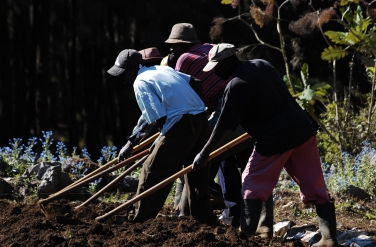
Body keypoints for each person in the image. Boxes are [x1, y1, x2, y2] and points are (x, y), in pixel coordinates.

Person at [193, 43, 338, 246]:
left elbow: (223, 125)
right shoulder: (262, 65)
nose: (216, 73)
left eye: (216, 67)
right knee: (314, 185)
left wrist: (204, 153)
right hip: (302, 129)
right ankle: (329, 238)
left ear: (226, 63)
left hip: (275, 139)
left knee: (251, 183)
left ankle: (247, 239)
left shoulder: (236, 85)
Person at [108, 47, 218, 225]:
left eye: (123, 75)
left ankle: (138, 220)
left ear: (132, 69)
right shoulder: (162, 70)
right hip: (200, 122)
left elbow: (156, 118)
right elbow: (196, 82)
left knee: (152, 170)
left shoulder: (140, 82)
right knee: (197, 173)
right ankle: (205, 220)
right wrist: (196, 106)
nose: (123, 80)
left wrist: (160, 137)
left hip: (180, 126)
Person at [163, 22, 256, 225]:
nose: (172, 49)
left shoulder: (184, 59)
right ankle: (243, 218)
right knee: (234, 161)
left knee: (204, 160)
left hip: (225, 105)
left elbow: (184, 96)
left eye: (174, 45)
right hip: (238, 105)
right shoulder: (210, 48)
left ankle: (189, 217)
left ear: (183, 44)